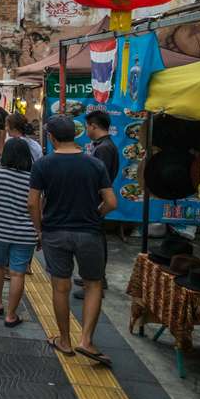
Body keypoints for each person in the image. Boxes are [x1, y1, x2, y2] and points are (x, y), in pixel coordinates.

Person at [29, 115, 117, 365]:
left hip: (55, 232)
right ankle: (86, 340)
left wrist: (39, 229)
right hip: (89, 233)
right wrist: (94, 214)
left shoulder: (43, 165)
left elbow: (32, 202)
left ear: (52, 137)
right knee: (93, 284)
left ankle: (65, 341)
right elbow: (111, 202)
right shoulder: (94, 164)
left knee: (60, 286)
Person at [0, 138, 37, 326]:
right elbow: (37, 206)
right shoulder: (33, 179)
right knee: (17, 273)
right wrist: (39, 230)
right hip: (25, 233)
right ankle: (11, 315)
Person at [76, 110, 120, 298]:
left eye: (87, 126)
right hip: (96, 199)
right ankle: (94, 278)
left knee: (95, 241)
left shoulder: (103, 148)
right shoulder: (104, 145)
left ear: (94, 126)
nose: (86, 129)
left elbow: (98, 178)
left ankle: (95, 282)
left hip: (96, 200)